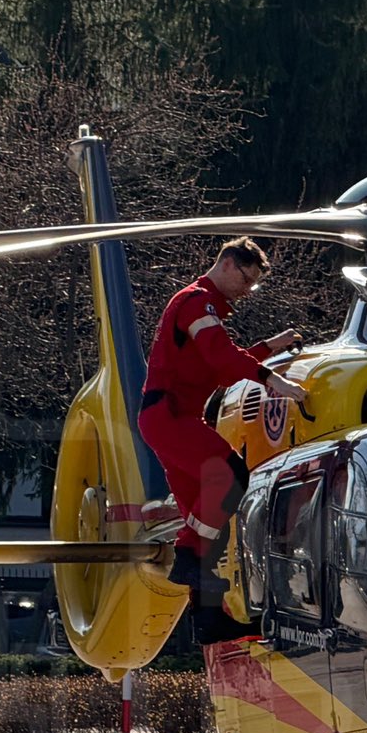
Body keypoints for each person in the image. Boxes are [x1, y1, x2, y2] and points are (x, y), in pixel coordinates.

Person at [138, 237, 307, 594]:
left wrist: (269, 348)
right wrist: (272, 379)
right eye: (246, 279)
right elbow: (221, 355)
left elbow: (222, 369)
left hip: (170, 419)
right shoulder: (196, 303)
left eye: (253, 285)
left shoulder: (202, 307)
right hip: (170, 417)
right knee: (231, 476)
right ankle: (187, 558)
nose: (247, 291)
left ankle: (203, 600)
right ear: (227, 263)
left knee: (205, 515)